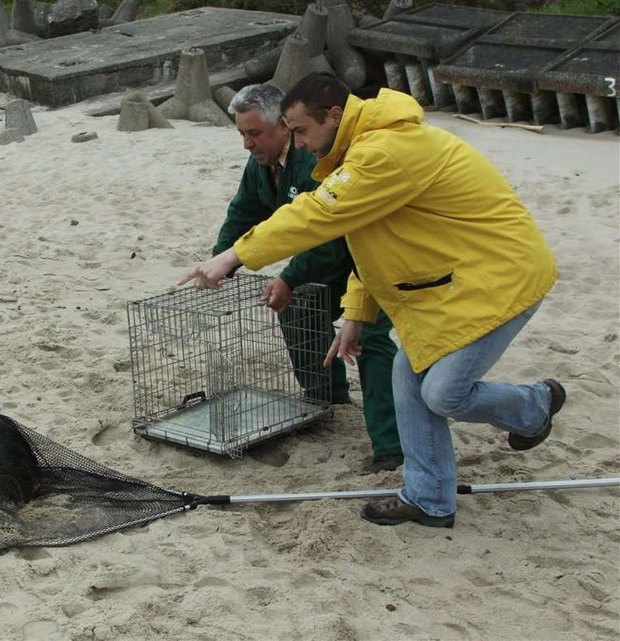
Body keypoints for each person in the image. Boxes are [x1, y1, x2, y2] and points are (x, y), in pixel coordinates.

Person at [179, 73, 565, 528]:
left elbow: (320, 214)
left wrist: (234, 255)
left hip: (501, 280)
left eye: (301, 131)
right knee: (409, 384)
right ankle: (430, 499)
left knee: (442, 393)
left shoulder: (385, 151)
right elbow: (368, 242)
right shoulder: (356, 154)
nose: (299, 144)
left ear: (336, 115)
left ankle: (534, 405)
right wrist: (357, 314)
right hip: (443, 288)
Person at [216, 83, 403, 473]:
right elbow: (243, 213)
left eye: (255, 133)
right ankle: (327, 400)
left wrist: (288, 276)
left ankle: (391, 444)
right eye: (241, 134)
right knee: (297, 308)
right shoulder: (261, 166)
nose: (247, 144)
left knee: (369, 339)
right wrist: (221, 262)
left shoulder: (313, 159)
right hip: (325, 268)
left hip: (368, 262)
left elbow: (328, 233)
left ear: (284, 127)